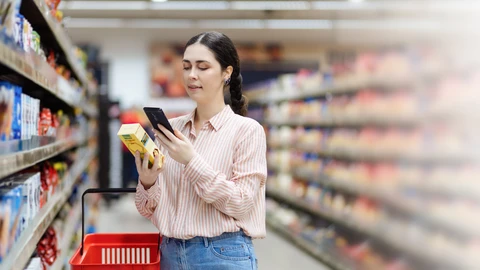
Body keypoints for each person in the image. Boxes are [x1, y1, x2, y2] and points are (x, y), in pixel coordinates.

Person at [134, 31, 267, 270]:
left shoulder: (247, 131)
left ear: (227, 73)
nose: (191, 75)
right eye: (186, 67)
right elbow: (146, 209)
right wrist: (147, 181)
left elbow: (241, 204)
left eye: (202, 67)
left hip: (222, 255)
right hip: (169, 253)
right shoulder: (170, 130)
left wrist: (191, 161)